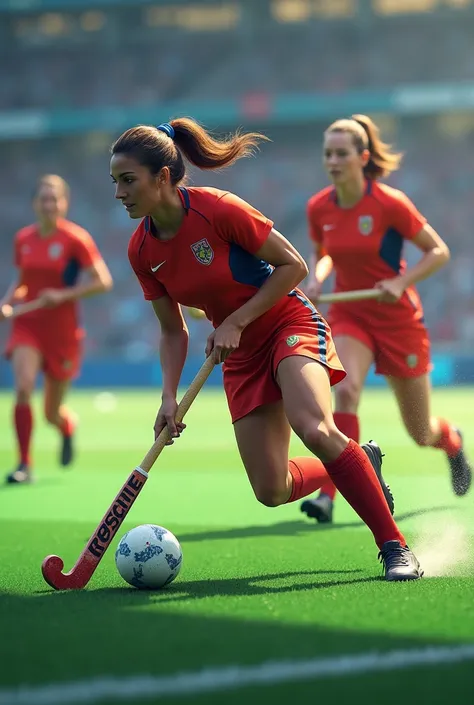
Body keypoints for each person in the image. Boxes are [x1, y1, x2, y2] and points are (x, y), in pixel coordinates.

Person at [110, 117, 423, 581]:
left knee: (313, 427)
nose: (119, 193)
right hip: (239, 354)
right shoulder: (141, 250)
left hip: (287, 324)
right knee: (271, 489)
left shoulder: (217, 209)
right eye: (115, 182)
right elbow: (173, 331)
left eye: (128, 180)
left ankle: (394, 546)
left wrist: (235, 319)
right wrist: (167, 397)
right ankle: (361, 459)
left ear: (162, 177)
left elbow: (293, 266)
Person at [301, 114, 471, 525]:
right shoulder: (318, 206)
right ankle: (331, 494)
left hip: (398, 321)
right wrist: (317, 279)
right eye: (328, 153)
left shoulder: (389, 203)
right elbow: (323, 252)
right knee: (347, 390)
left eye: (342, 153)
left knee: (420, 432)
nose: (333, 160)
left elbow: (438, 251)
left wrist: (401, 280)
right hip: (349, 314)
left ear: (362, 157)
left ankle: (451, 441)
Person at [0, 174, 113, 484]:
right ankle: (24, 464)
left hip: (62, 333)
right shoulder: (23, 239)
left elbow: (103, 281)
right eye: (43, 199)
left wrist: (61, 295)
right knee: (23, 387)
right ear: (35, 203)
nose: (49, 204)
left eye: (55, 199)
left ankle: (66, 427)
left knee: (52, 412)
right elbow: (21, 282)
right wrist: (7, 303)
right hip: (28, 327)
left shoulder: (76, 239)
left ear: (64, 204)